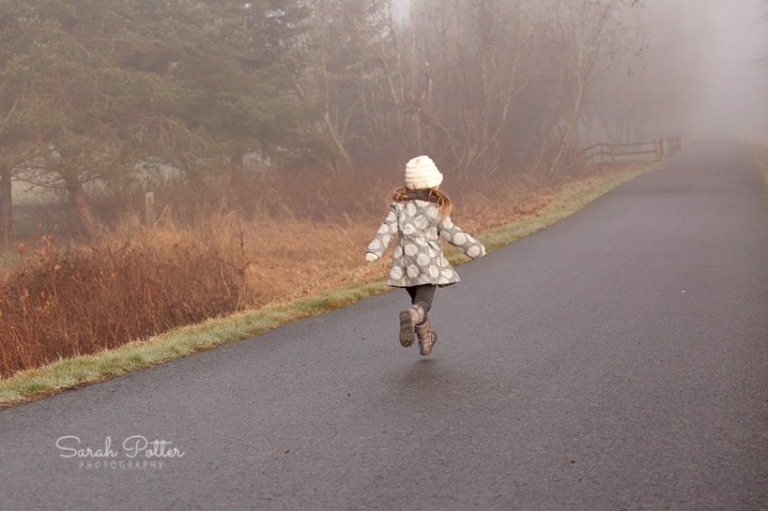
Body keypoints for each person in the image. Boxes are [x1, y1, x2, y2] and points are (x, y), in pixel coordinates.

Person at [365, 155, 486, 356]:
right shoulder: (435, 208)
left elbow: (386, 229)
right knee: (423, 303)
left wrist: (374, 250)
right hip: (427, 264)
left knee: (419, 303)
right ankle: (411, 316)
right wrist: (475, 249)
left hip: (405, 265)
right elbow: (452, 233)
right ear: (432, 183)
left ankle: (426, 341)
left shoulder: (399, 206)